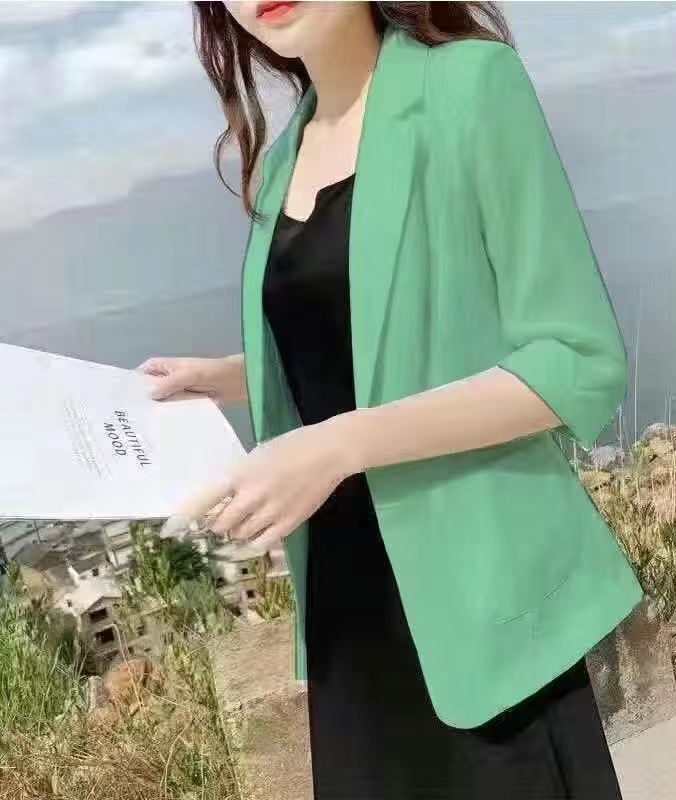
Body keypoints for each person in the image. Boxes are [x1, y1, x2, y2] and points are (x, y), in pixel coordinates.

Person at [142, 2, 643, 798]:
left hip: (474, 595)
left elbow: (576, 360)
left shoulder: (470, 85)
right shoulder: (284, 158)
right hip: (348, 613)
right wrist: (230, 375)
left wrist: (339, 446)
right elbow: (373, 333)